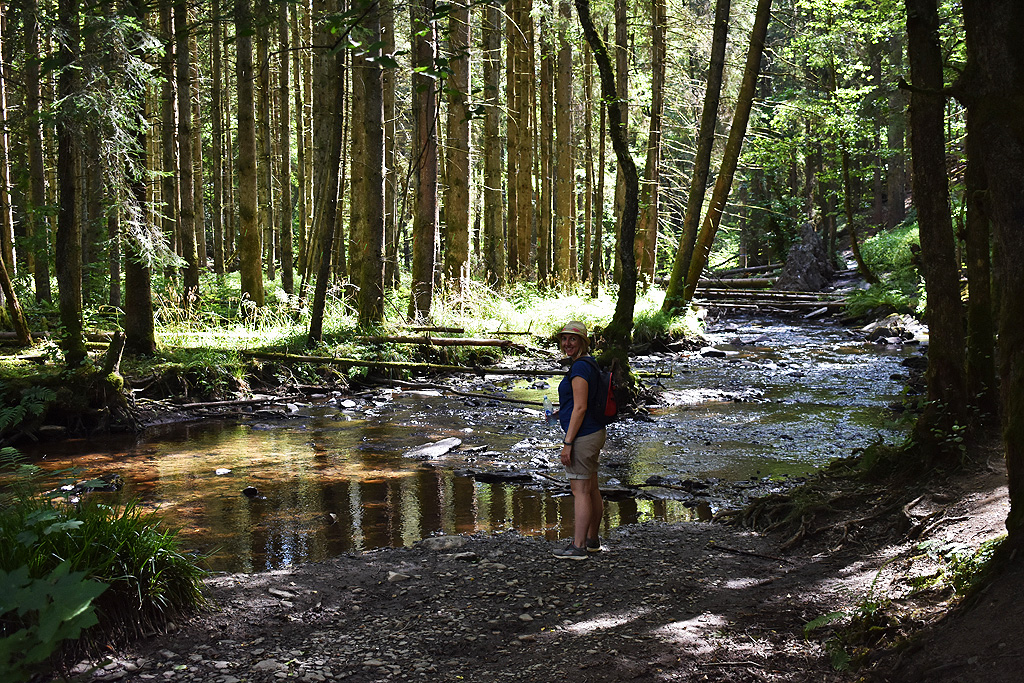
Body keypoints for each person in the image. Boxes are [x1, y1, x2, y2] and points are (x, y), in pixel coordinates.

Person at [552, 321, 605, 560]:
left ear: (583, 341)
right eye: (564, 339)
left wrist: (568, 443)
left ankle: (578, 546)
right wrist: (560, 413)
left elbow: (581, 407)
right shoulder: (588, 363)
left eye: (572, 339)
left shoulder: (580, 367)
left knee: (580, 490)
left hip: (583, 436)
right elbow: (581, 402)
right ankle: (592, 540)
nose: (567, 343)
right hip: (593, 432)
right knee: (591, 488)